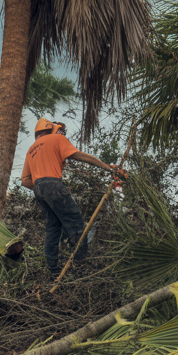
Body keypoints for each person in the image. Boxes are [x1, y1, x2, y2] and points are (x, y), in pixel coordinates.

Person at [20, 119, 125, 278]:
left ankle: (53, 271)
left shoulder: (31, 149)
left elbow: (25, 181)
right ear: (53, 129)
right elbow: (81, 156)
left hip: (38, 188)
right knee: (75, 223)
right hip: (52, 184)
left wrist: (44, 190)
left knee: (53, 228)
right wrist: (108, 168)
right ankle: (81, 265)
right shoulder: (57, 138)